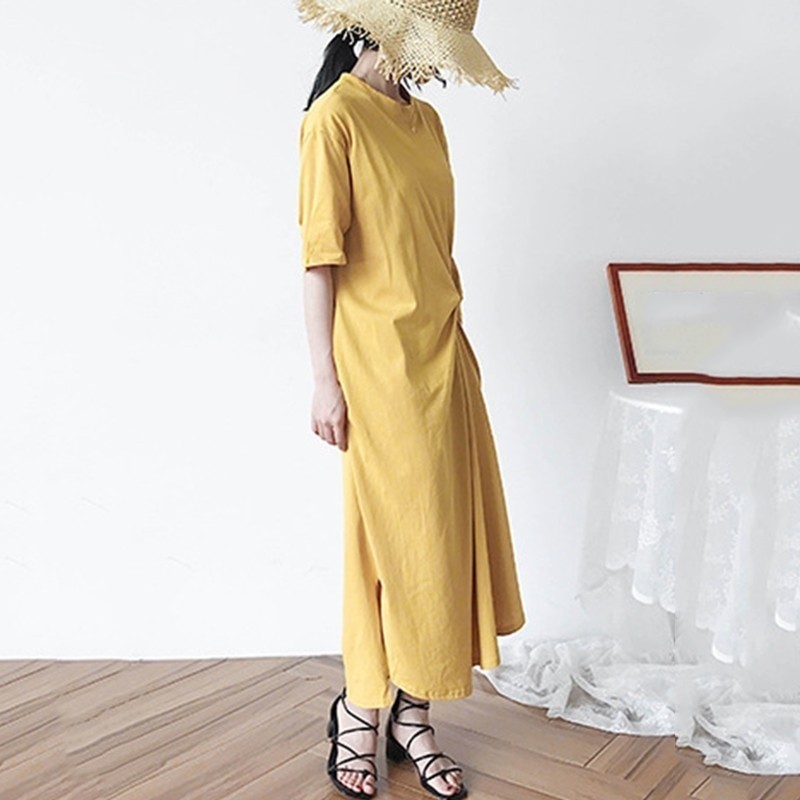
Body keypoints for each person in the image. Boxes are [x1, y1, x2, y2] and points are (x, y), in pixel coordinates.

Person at [296, 2, 526, 797]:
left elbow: (434, 248)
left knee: (442, 539)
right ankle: (359, 711)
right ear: (384, 28)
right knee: (389, 541)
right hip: (377, 365)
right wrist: (324, 379)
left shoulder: (426, 122)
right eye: (430, 43)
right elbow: (319, 259)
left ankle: (413, 714)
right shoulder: (334, 120)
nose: (435, 62)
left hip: (444, 355)